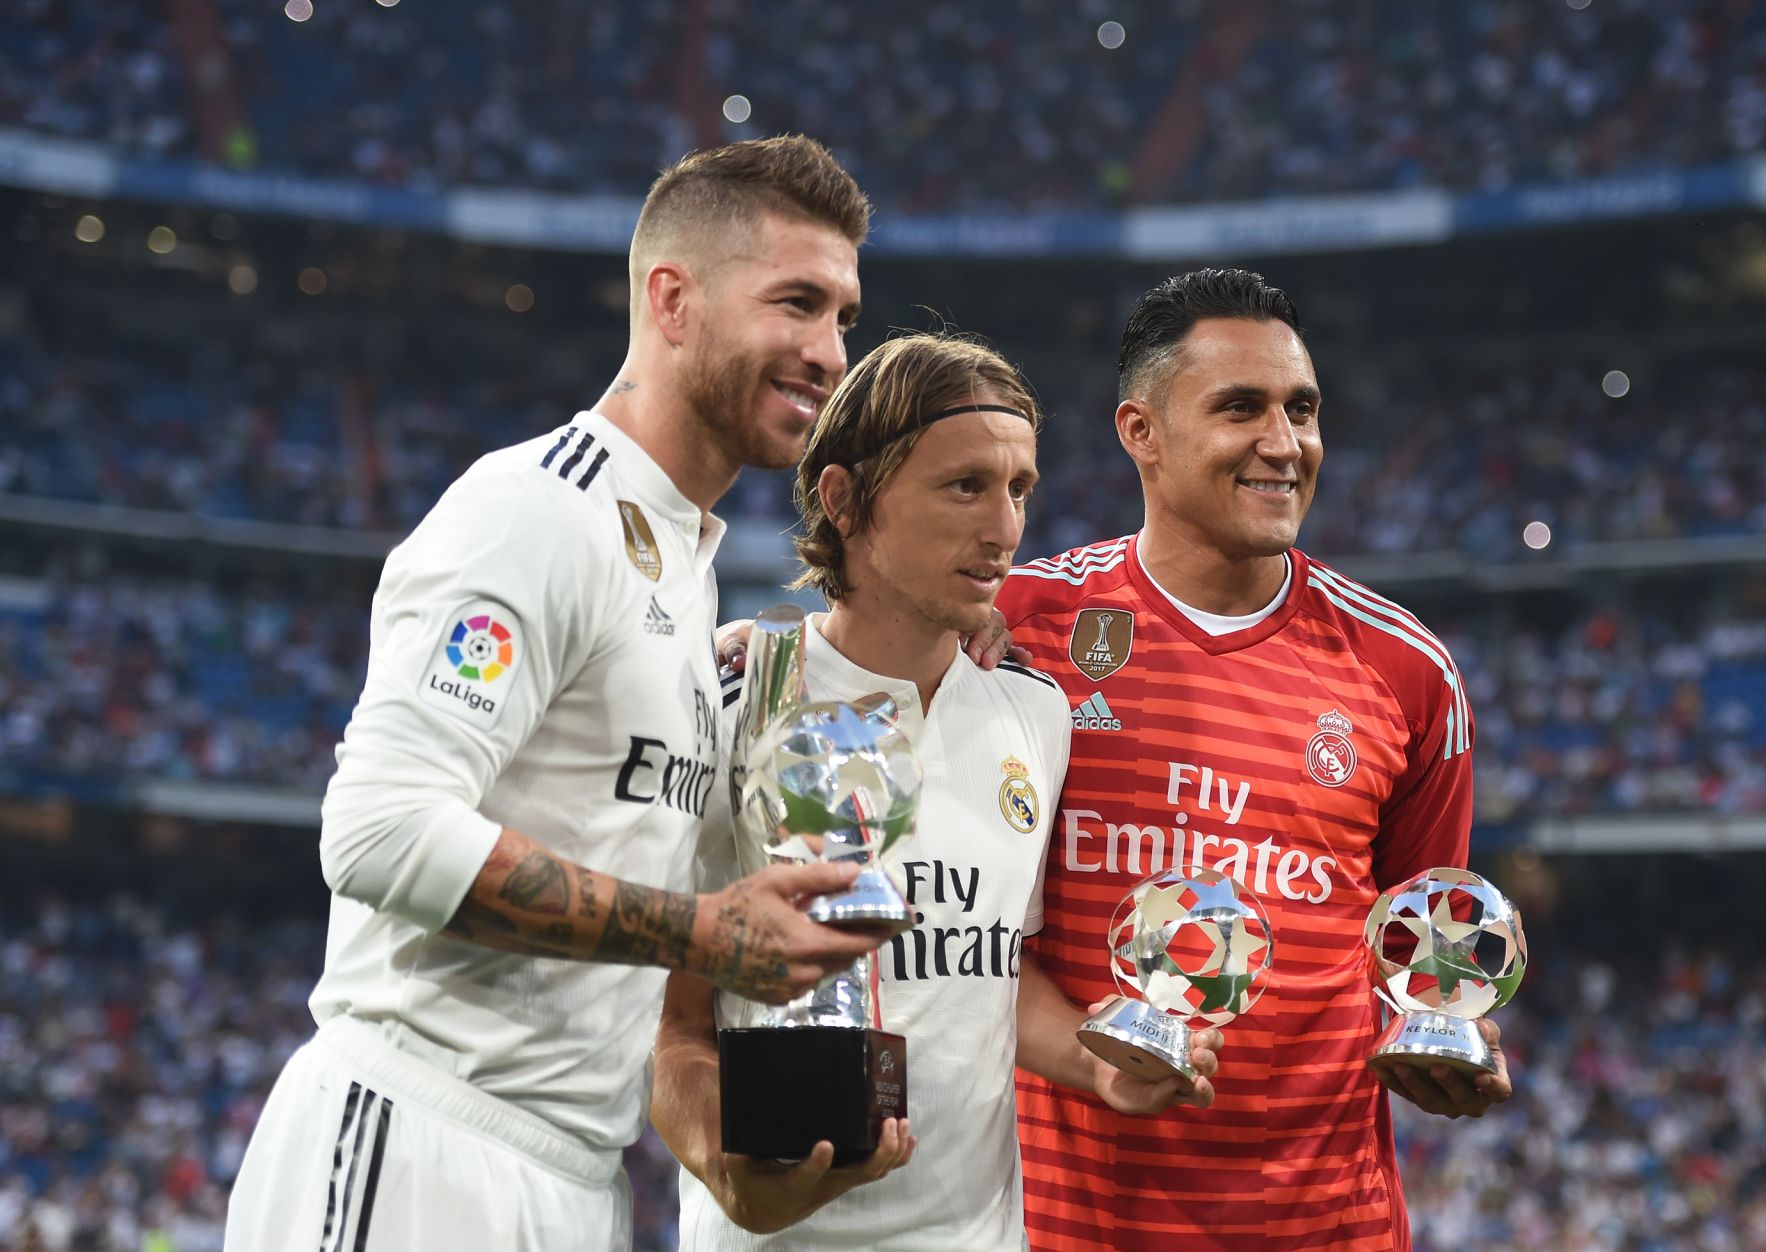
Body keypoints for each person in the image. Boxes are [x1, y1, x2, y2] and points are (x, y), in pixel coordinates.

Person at [224, 136, 888, 1252]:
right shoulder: (534, 511)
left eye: (844, 318)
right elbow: (380, 830)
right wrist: (703, 932)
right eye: (797, 303)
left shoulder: (683, 556)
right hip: (420, 1145)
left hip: (573, 1173)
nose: (829, 352)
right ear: (671, 299)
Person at [656, 332, 1220, 1252]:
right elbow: (669, 1018)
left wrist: (1095, 1063)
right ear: (844, 499)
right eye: (964, 486)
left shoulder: (1036, 714)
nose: (1003, 527)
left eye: (1020, 490)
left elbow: (989, 968)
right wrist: (726, 1167)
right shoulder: (736, 694)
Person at [998, 269, 1512, 1252]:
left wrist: (1454, 1043)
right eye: (1241, 408)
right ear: (1140, 431)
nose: (1285, 443)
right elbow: (974, 941)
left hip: (1324, 1228)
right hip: (1071, 1227)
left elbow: (1424, 951)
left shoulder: (1407, 671)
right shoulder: (1021, 630)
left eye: (1302, 409)